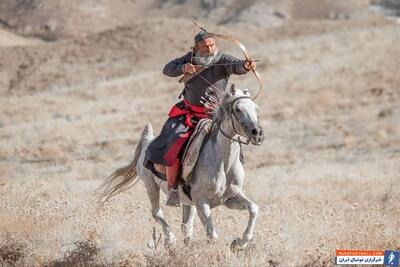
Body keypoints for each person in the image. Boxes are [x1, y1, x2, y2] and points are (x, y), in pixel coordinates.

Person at [144, 31, 256, 207]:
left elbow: (237, 66)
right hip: (189, 114)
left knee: (232, 142)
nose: (209, 49)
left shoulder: (222, 59)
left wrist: (246, 66)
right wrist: (183, 68)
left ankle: (232, 182)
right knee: (175, 141)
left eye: (212, 45)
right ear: (196, 48)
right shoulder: (188, 58)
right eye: (204, 46)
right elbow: (167, 69)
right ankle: (173, 189)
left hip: (215, 116)